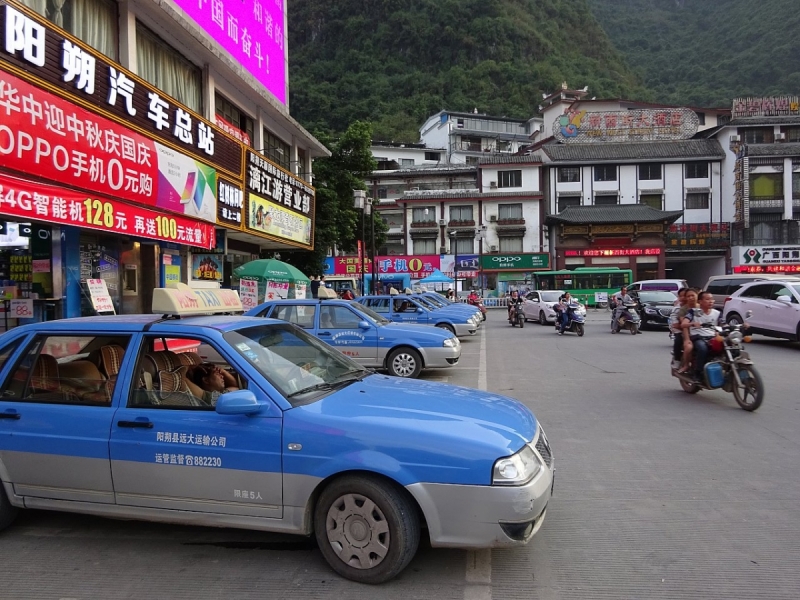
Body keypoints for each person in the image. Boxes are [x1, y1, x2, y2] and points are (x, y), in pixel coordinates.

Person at [683, 290, 724, 381]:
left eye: (712, 299)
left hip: (713, 337)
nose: (711, 301)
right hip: (698, 337)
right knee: (702, 348)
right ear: (700, 301)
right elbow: (683, 324)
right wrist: (692, 324)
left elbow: (723, 324)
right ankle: (697, 373)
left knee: (730, 346)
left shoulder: (717, 313)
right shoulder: (693, 312)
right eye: (707, 299)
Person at [669, 288, 689, 368]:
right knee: (678, 340)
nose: (683, 298)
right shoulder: (676, 309)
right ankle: (677, 359)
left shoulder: (695, 306)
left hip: (693, 330)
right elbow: (675, 324)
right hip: (680, 330)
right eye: (681, 296)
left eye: (685, 296)